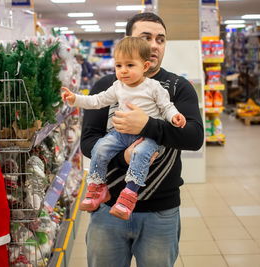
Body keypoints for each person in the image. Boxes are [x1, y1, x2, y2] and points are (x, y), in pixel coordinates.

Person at [80, 12, 204, 267]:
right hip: (108, 210)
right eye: (146, 37)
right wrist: (122, 157)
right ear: (129, 41)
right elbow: (89, 141)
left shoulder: (177, 86)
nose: (155, 45)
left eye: (161, 39)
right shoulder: (108, 84)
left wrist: (148, 125)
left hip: (160, 212)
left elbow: (194, 137)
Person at [62, 37, 186, 220]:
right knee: (101, 147)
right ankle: (98, 186)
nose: (123, 71)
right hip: (121, 134)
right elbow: (97, 100)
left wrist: (174, 116)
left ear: (145, 66)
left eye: (130, 65)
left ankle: (129, 193)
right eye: (118, 66)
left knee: (141, 153)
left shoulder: (154, 87)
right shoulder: (118, 87)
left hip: (148, 138)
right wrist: (76, 99)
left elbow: (166, 107)